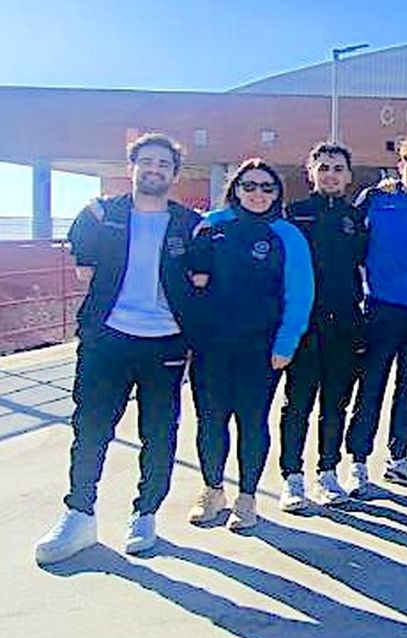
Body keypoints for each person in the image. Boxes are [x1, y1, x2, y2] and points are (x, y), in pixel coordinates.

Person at [35, 133, 202, 564]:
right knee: (91, 428)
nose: (154, 169)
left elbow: (201, 283)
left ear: (174, 173)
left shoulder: (189, 224)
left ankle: (145, 514)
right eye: (147, 161)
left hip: (165, 342)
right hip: (108, 339)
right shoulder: (98, 214)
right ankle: (79, 514)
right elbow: (84, 274)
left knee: (158, 432)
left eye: (164, 164)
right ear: (131, 167)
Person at [185, 160, 314, 531]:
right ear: (236, 188)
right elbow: (191, 283)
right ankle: (212, 489)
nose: (258, 193)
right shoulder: (211, 225)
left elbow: (300, 292)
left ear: (277, 193)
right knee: (210, 421)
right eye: (249, 186)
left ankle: (247, 496)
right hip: (211, 345)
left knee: (252, 422)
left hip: (260, 347)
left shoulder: (286, 235)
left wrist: (286, 343)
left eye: (267, 188)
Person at [345, 135, 407, 492]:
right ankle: (357, 462)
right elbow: (349, 245)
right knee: (371, 385)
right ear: (400, 167)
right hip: (380, 307)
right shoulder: (376, 200)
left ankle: (398, 457)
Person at [278, 142, 367, 513]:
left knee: (335, 403)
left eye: (337, 168)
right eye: (324, 167)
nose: (330, 174)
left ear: (348, 176)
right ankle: (292, 478)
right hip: (303, 324)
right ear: (310, 172)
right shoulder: (292, 215)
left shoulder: (356, 217)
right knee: (297, 403)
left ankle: (327, 471)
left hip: (345, 322)